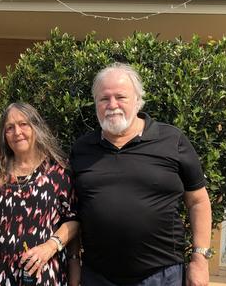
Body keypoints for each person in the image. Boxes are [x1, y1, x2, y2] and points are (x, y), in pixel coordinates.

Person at [70, 63, 212, 286]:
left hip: (161, 275)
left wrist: (200, 259)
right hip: (98, 276)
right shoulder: (82, 149)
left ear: (138, 100)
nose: (112, 105)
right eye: (104, 99)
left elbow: (198, 201)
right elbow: (75, 212)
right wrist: (74, 261)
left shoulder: (172, 140)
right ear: (95, 103)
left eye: (121, 97)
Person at [0, 102, 80, 286]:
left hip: (45, 274)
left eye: (24, 124)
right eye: (9, 128)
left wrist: (50, 246)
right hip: (0, 273)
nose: (17, 132)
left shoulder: (57, 171)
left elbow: (74, 219)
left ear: (36, 127)